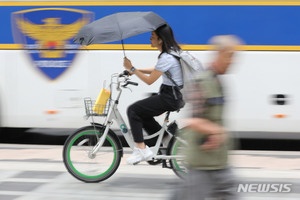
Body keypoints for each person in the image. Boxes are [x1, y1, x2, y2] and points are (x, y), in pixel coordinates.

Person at [171, 35, 242, 200]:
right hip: (202, 165)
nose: (233, 61)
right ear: (219, 54)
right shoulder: (201, 82)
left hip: (219, 162)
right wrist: (217, 131)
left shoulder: (219, 82)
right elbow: (191, 121)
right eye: (230, 56)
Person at [123, 24, 184, 165]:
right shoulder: (171, 52)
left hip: (169, 97)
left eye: (153, 37)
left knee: (133, 110)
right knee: (142, 113)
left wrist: (131, 68)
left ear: (161, 40)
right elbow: (157, 70)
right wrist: (137, 70)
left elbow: (150, 81)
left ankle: (141, 149)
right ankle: (163, 140)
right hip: (172, 95)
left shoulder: (166, 57)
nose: (150, 39)